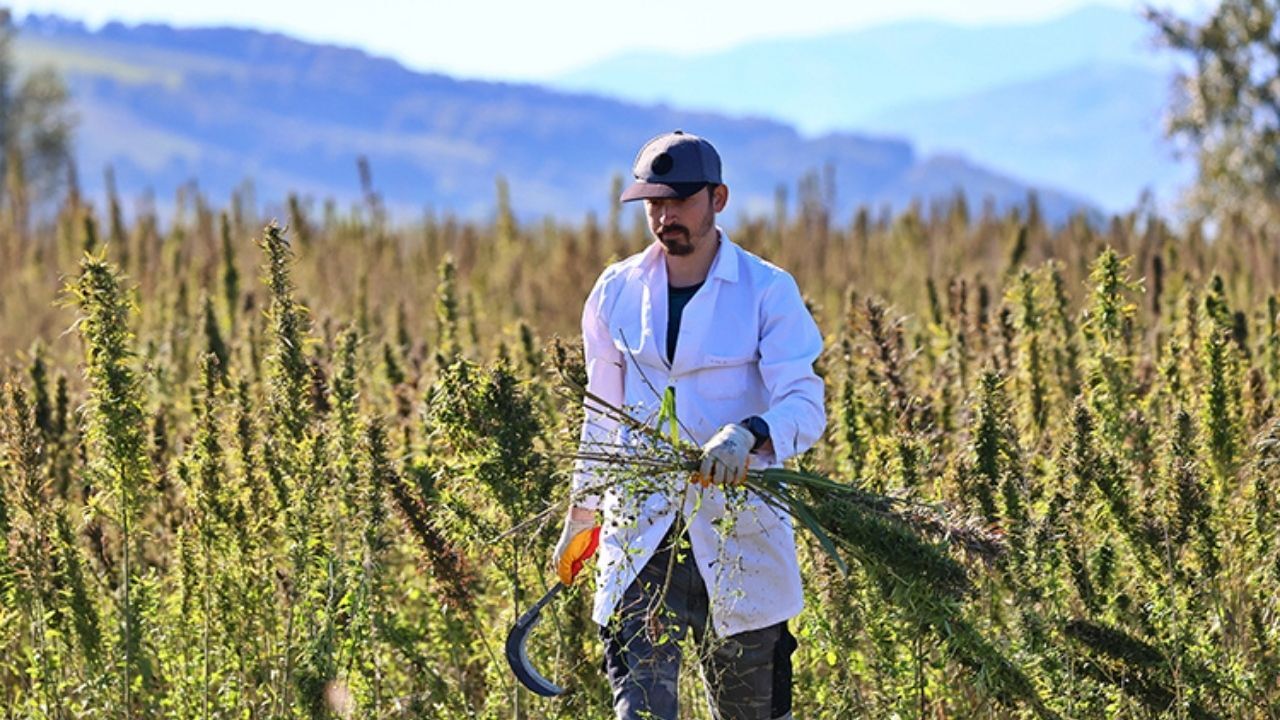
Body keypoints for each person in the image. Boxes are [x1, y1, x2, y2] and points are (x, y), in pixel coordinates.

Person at [551, 130, 826, 720]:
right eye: (654, 203)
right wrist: (581, 517)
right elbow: (601, 418)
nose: (665, 215)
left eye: (679, 200)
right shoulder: (614, 292)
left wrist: (748, 432)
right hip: (642, 535)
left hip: (739, 537)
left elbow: (805, 404)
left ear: (718, 199)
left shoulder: (767, 291)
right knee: (642, 712)